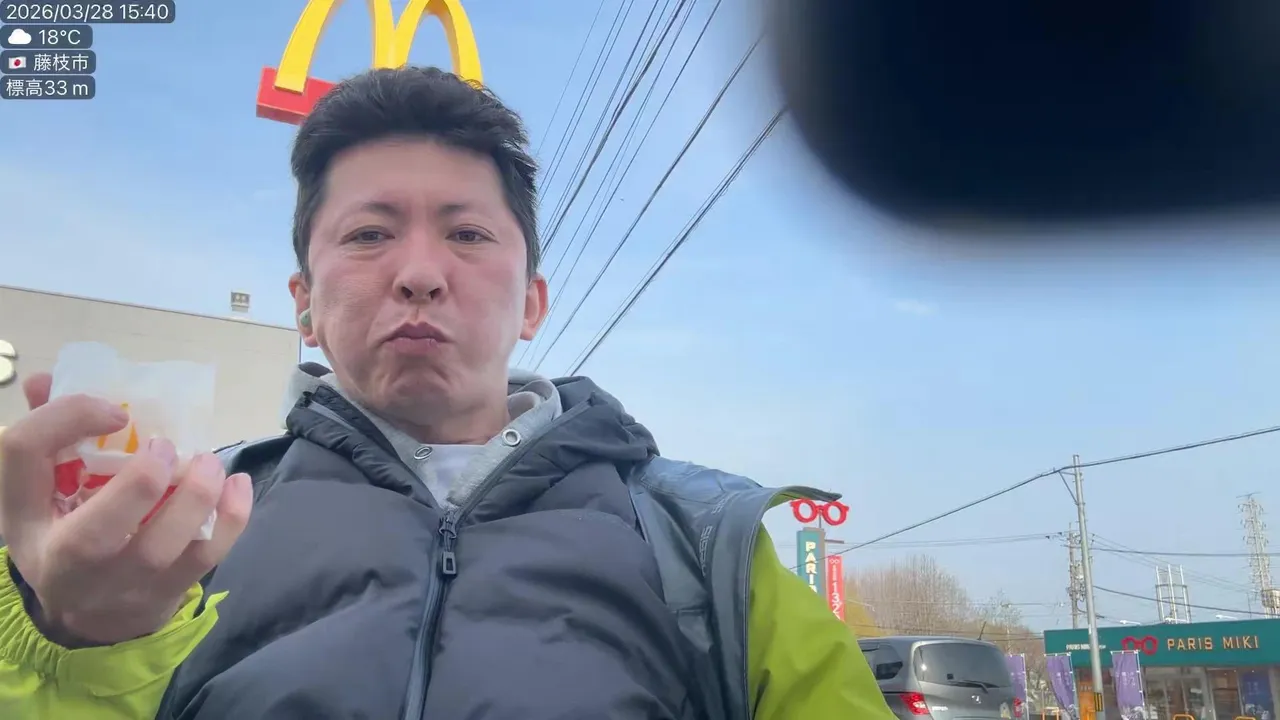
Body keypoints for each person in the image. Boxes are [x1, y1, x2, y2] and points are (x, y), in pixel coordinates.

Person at [0, 67, 891, 719]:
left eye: (468, 234)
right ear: (302, 305)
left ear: (532, 303)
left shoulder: (705, 547)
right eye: (368, 235)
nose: (420, 273)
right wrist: (77, 644)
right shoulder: (175, 533)